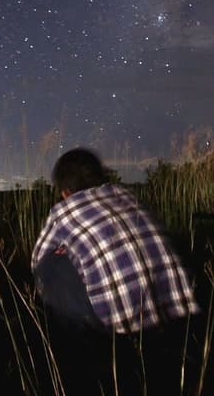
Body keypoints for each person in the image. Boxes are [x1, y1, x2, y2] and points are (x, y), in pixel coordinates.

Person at [31, 147, 198, 394]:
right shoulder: (126, 196)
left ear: (65, 192)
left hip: (116, 323)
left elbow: (37, 262)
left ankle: (74, 354)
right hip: (171, 312)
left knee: (51, 267)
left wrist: (66, 253)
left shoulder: (63, 212)